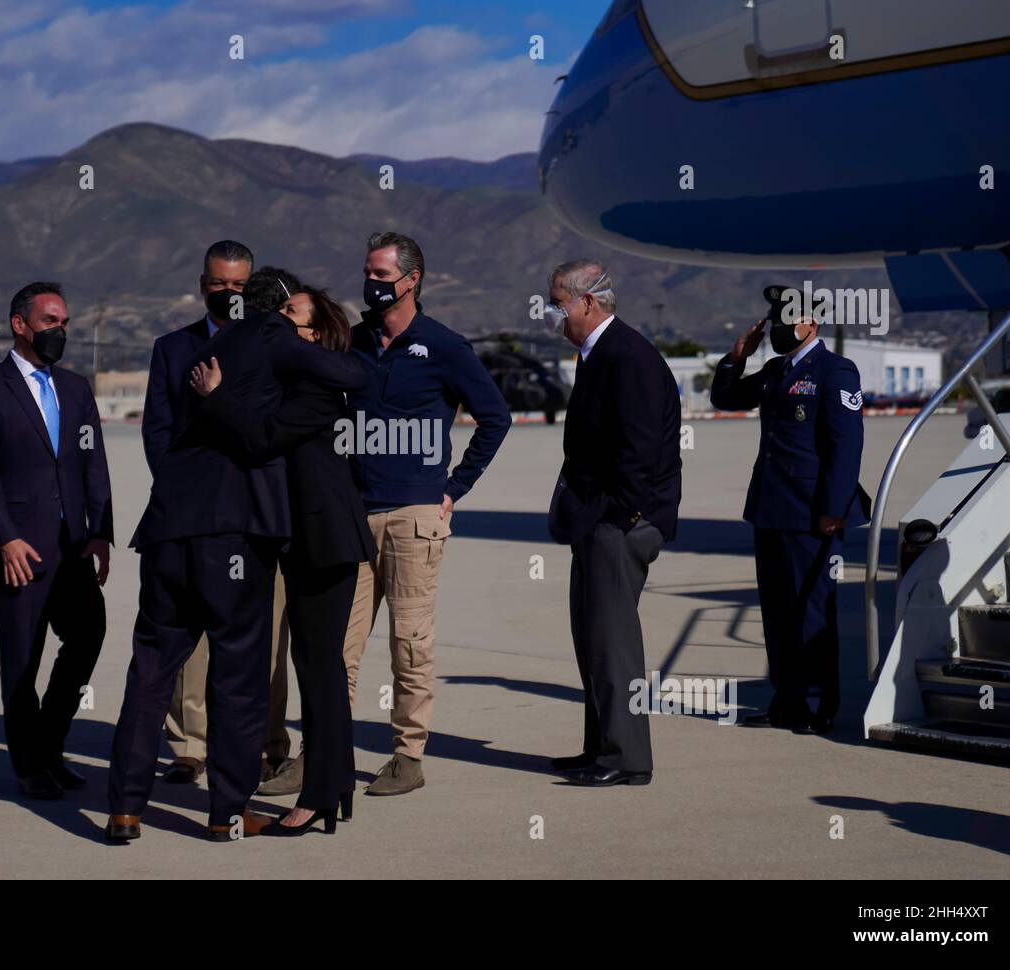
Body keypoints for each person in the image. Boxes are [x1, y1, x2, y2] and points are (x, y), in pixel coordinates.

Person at [106, 268, 370, 843]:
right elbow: (354, 374)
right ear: (278, 309)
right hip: (233, 532)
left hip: (168, 524)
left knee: (149, 671)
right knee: (240, 674)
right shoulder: (272, 339)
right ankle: (226, 813)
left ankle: (124, 809)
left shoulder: (209, 345)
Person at [189, 284, 374, 835]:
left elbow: (264, 439)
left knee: (320, 669)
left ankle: (319, 793)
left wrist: (217, 396)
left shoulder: (316, 387)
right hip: (312, 541)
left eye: (291, 315)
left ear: (315, 335)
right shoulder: (296, 381)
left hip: (326, 543)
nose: (277, 320)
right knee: (319, 667)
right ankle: (334, 785)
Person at [341, 231, 511, 796]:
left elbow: (495, 418)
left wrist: (453, 488)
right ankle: (327, 751)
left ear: (411, 281)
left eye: (382, 276)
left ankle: (407, 756)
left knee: (410, 643)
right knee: (336, 644)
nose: (371, 284)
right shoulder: (353, 341)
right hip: (355, 517)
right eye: (367, 272)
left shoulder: (444, 346)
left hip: (415, 514)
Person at [142, 240, 292, 786]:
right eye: (218, 284)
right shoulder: (171, 348)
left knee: (263, 637)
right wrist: (183, 494)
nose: (228, 294)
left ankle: (265, 740)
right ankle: (189, 743)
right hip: (192, 517)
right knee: (192, 640)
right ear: (201, 284)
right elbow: (158, 430)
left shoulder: (274, 344)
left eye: (238, 286)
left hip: (255, 518)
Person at [0, 281, 113, 799]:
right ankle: (30, 766)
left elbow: (94, 464)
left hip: (73, 548)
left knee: (88, 635)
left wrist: (99, 534)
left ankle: (49, 743)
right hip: (19, 552)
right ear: (19, 324)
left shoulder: (75, 388)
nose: (59, 331)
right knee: (22, 661)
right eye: (50, 321)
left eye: (64, 322)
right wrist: (4, 539)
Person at [545, 259, 681, 787]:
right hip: (598, 522)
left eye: (557, 302)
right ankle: (601, 746)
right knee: (594, 638)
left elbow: (639, 453)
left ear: (587, 303)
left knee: (614, 642)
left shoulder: (629, 357)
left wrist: (619, 515)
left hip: (620, 524)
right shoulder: (600, 354)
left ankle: (627, 758)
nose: (551, 312)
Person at [710, 306, 869, 735]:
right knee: (778, 612)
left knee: (812, 613)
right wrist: (737, 356)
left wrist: (834, 510)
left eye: (787, 322)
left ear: (812, 325)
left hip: (813, 513)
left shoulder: (836, 370)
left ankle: (819, 706)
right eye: (774, 322)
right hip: (772, 509)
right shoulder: (775, 370)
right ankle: (788, 702)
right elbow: (724, 398)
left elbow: (846, 443)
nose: (779, 330)